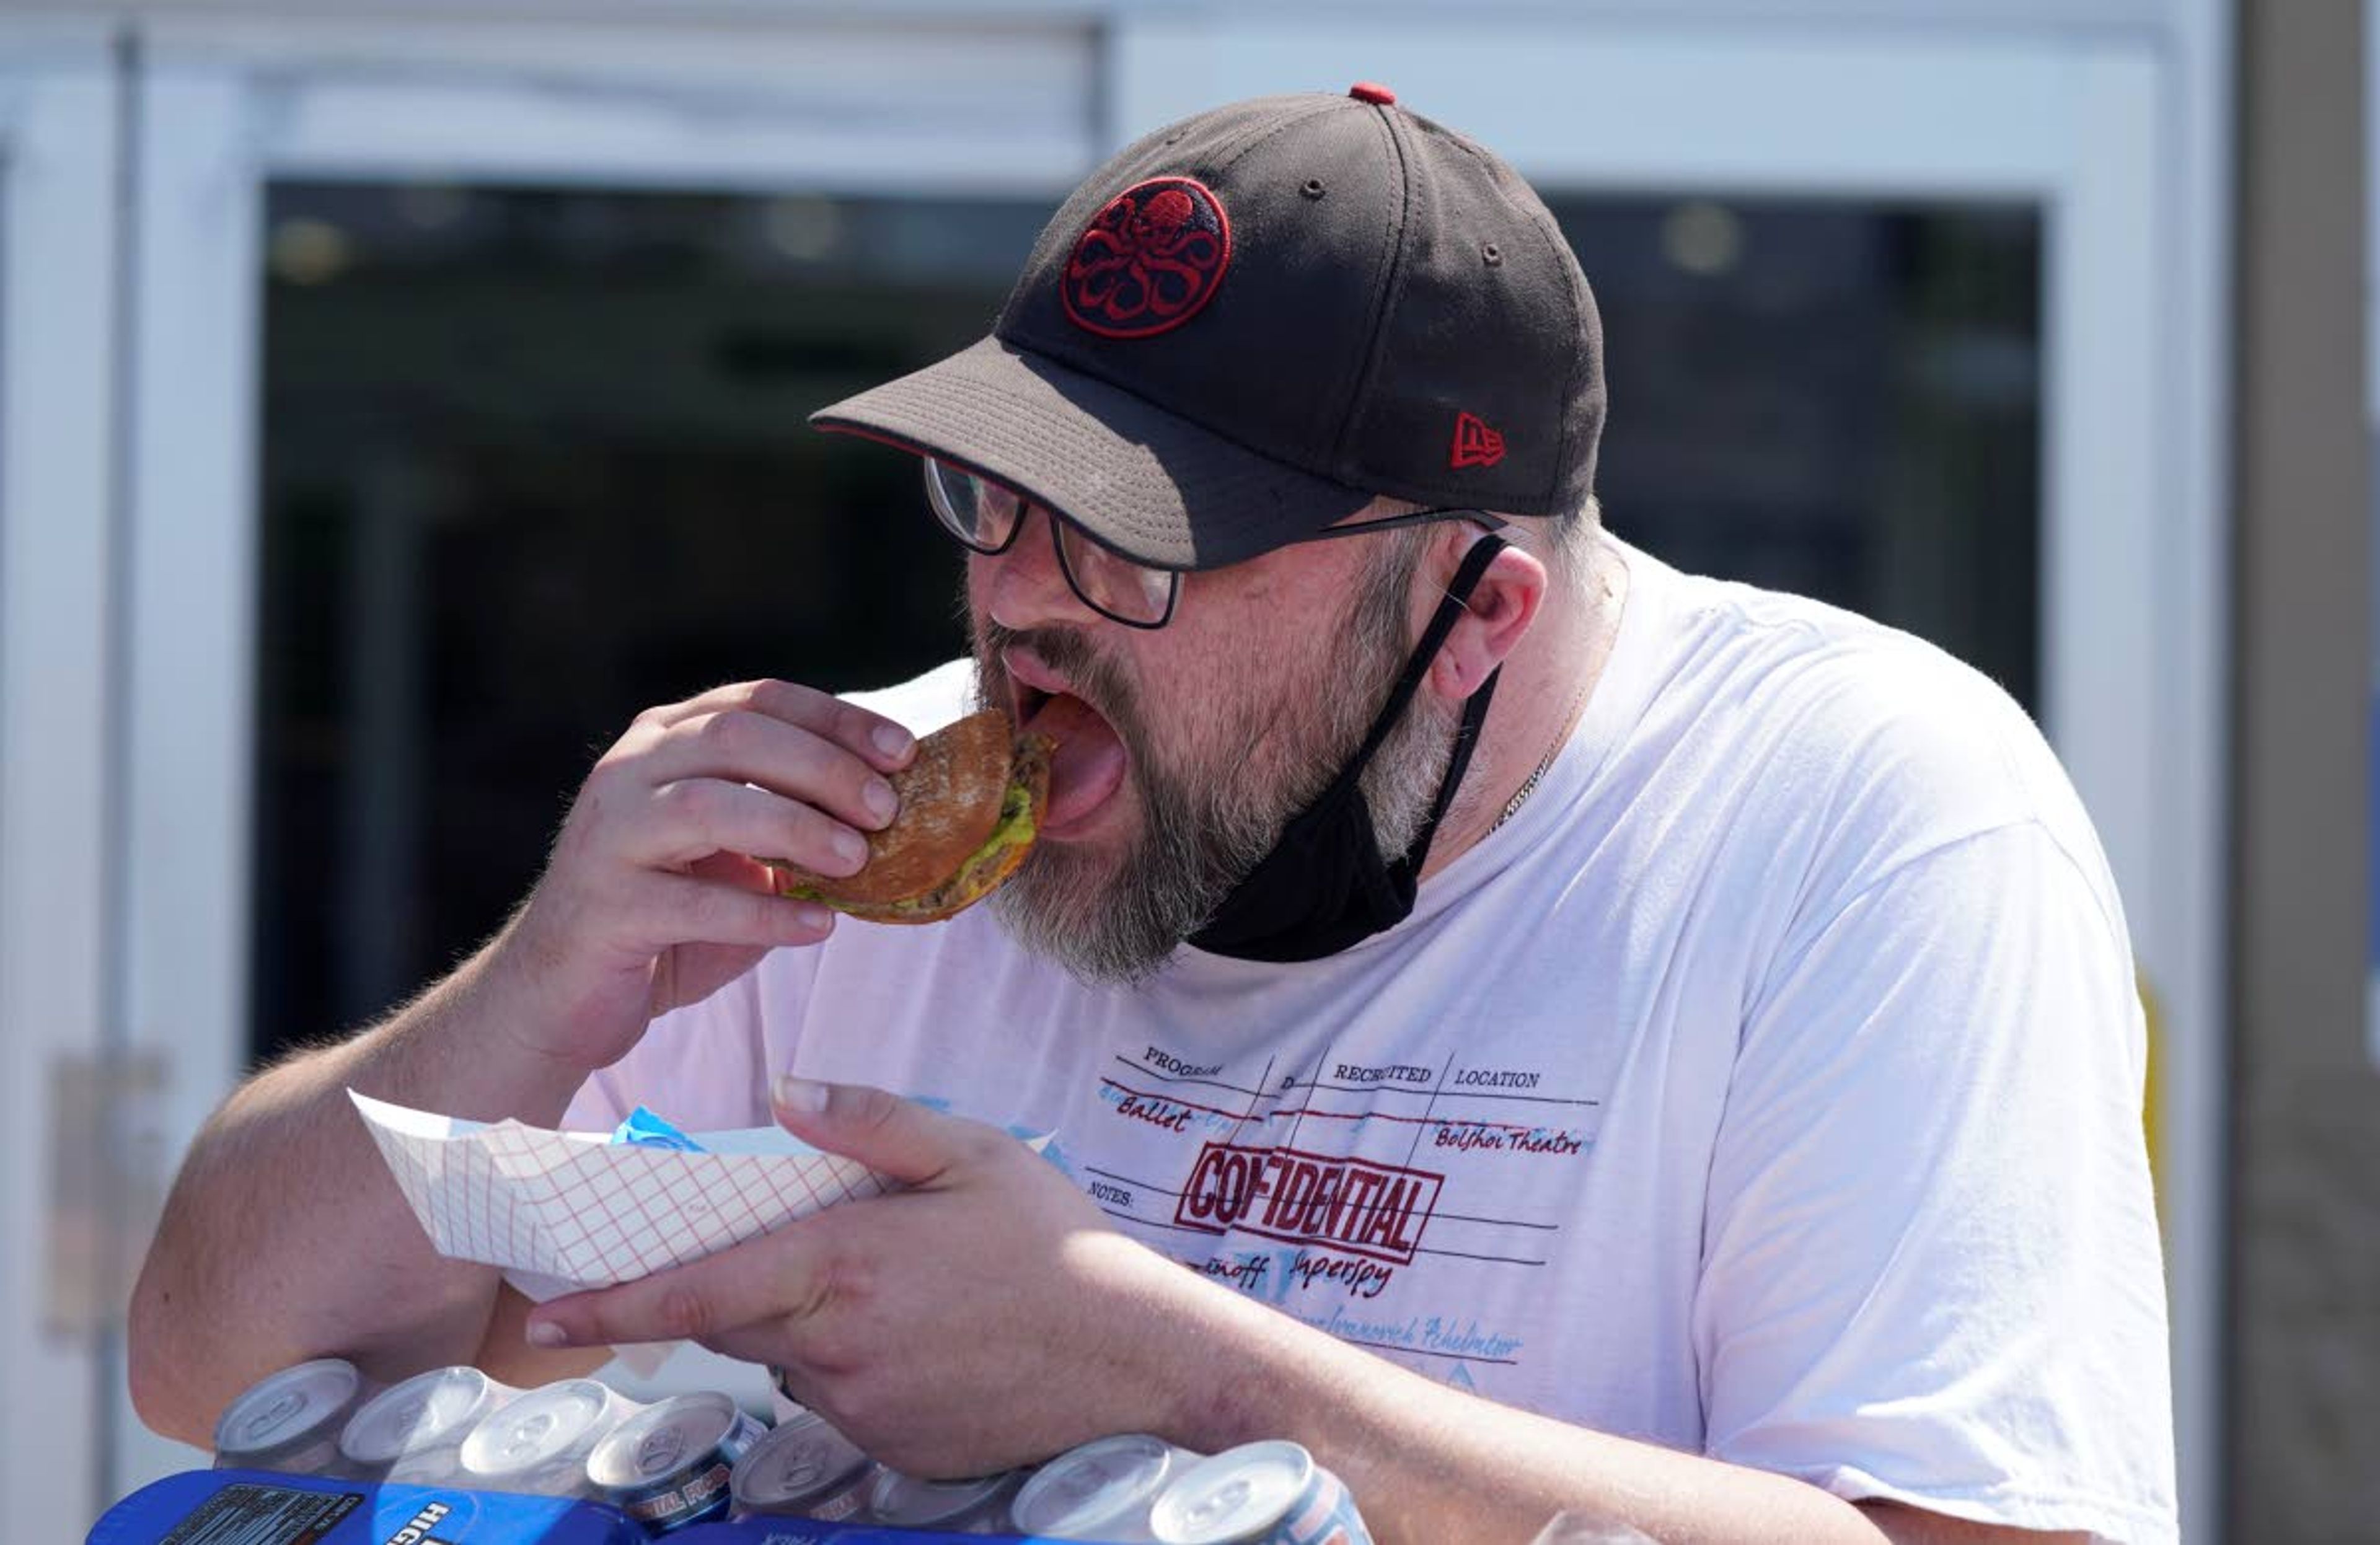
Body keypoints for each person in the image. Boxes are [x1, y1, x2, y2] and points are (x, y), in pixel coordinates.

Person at [131, 85, 2176, 1544]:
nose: (1017, 596)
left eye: (1136, 543)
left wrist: (1175, 1376)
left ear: (1471, 615)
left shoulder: (1861, 825)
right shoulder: (850, 827)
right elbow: (210, 1371)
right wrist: (539, 988)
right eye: (995, 496)